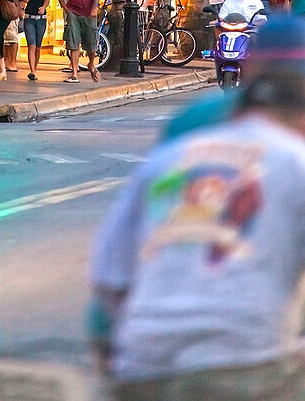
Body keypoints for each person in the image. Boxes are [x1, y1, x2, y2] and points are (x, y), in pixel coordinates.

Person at [91, 28, 305, 399]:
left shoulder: (172, 153)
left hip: (144, 366)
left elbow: (110, 280)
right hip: (246, 364)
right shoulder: (295, 162)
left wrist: (116, 354)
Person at [57, 0, 102, 84]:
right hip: (73, 12)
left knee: (91, 43)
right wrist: (65, 8)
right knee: (73, 41)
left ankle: (91, 64)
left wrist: (94, 8)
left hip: (88, 12)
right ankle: (74, 72)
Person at [21, 0, 50, 82]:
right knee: (31, 45)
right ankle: (32, 70)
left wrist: (43, 7)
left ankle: (35, 68)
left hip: (41, 19)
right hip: (29, 18)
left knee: (38, 46)